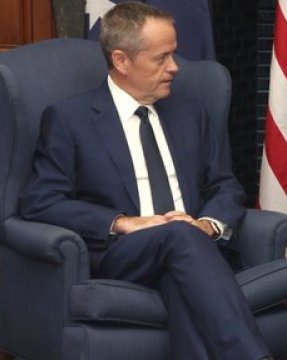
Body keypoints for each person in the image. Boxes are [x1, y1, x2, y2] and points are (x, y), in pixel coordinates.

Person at [19, 3, 271, 359]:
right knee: (178, 237)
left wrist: (206, 226)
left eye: (174, 54)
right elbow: (40, 200)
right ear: (121, 61)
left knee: (180, 272)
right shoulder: (70, 119)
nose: (175, 67)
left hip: (192, 250)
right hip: (126, 252)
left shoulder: (190, 113)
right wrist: (123, 223)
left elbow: (225, 185)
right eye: (161, 58)